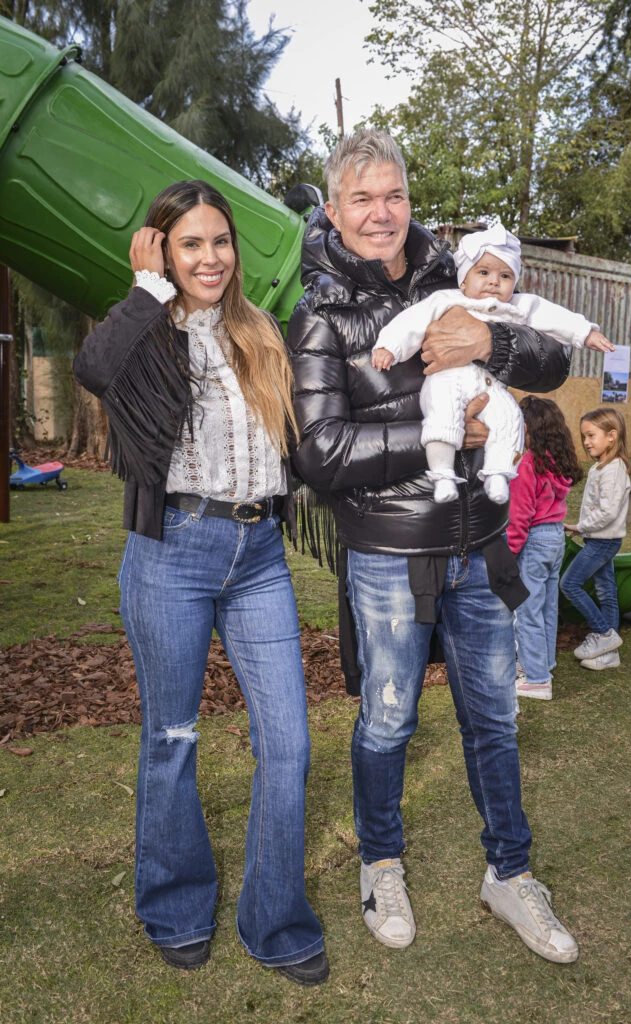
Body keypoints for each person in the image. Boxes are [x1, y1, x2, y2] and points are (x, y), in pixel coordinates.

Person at [286, 128, 579, 964]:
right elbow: (319, 454)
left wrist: (492, 343)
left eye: (395, 196)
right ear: (333, 209)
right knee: (387, 720)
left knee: (494, 720)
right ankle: (380, 864)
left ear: (410, 200)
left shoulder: (457, 276)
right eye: (361, 199)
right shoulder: (317, 315)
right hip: (386, 553)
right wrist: (440, 438)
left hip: (480, 544)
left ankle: (509, 873)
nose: (381, 214)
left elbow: (551, 361)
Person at [73, 180, 328, 986]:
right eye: (190, 243)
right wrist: (146, 289)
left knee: (288, 744)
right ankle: (176, 908)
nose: (210, 257)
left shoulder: (261, 332)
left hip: (259, 556)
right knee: (173, 738)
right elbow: (92, 369)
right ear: (160, 250)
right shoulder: (144, 333)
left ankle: (274, 918)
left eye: (220, 241)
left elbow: (306, 436)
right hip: (172, 552)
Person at [372, 223, 613, 505]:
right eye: (483, 272)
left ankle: (498, 473)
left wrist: (585, 333)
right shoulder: (446, 300)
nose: (494, 281)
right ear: (464, 280)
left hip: (489, 386)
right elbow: (411, 322)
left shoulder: (519, 305)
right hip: (446, 380)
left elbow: (555, 317)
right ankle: (442, 473)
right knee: (442, 415)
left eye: (505, 275)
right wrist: (389, 346)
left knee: (509, 417)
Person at [508, 397, 584, 700]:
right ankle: (544, 663)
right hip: (555, 538)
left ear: (529, 427)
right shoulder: (556, 461)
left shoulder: (528, 464)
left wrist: (509, 554)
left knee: (527, 610)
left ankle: (537, 679)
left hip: (535, 541)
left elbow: (520, 516)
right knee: (547, 607)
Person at [561, 407, 631, 671]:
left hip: (603, 541)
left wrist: (580, 526)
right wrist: (583, 529)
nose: (586, 442)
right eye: (584, 437)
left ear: (611, 436)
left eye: (591, 435)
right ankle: (609, 655)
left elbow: (607, 512)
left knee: (569, 584)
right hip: (600, 539)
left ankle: (604, 634)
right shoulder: (602, 467)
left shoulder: (613, 470)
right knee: (606, 591)